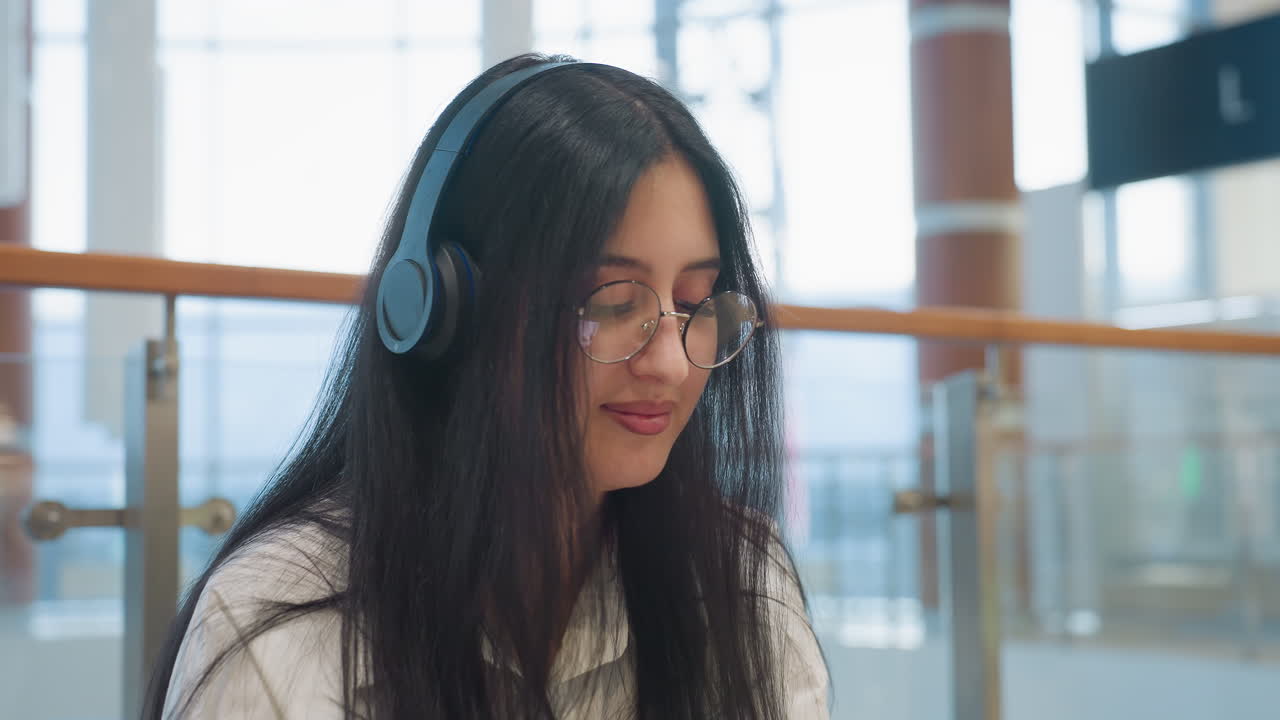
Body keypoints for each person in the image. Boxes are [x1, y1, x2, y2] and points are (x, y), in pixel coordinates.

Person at [145, 53, 829, 719]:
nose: (672, 365)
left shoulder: (740, 580)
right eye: (614, 303)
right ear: (450, 309)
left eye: (694, 301)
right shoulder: (279, 627)